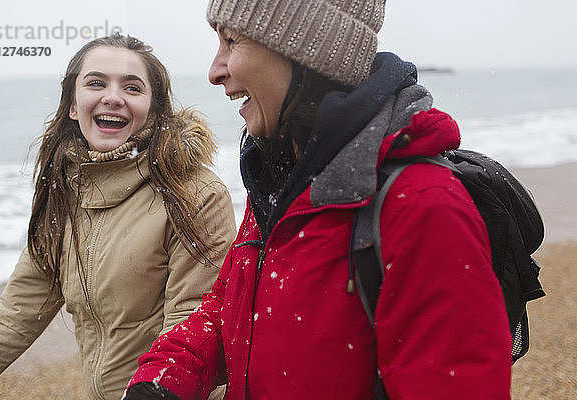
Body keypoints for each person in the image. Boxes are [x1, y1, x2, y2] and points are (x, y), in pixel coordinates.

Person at [123, 1, 512, 399]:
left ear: (305, 52)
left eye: (231, 41)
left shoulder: (423, 206)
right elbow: (229, 307)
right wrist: (163, 379)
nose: (214, 70)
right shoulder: (281, 179)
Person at [0, 33, 236, 400]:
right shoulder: (64, 193)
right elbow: (13, 318)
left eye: (132, 88)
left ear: (156, 110)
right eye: (96, 82)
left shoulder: (195, 195)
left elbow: (191, 331)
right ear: (72, 105)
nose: (113, 97)